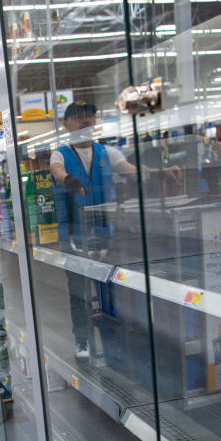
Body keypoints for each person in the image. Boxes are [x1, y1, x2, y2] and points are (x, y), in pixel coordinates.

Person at [49, 101, 138, 359]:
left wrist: (154, 174)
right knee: (79, 292)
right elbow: (56, 171)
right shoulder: (61, 154)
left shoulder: (106, 153)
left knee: (111, 290)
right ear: (67, 125)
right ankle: (83, 340)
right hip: (73, 237)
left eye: (89, 116)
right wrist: (67, 179)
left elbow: (130, 171)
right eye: (77, 117)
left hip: (105, 235)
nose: (84, 120)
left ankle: (114, 341)